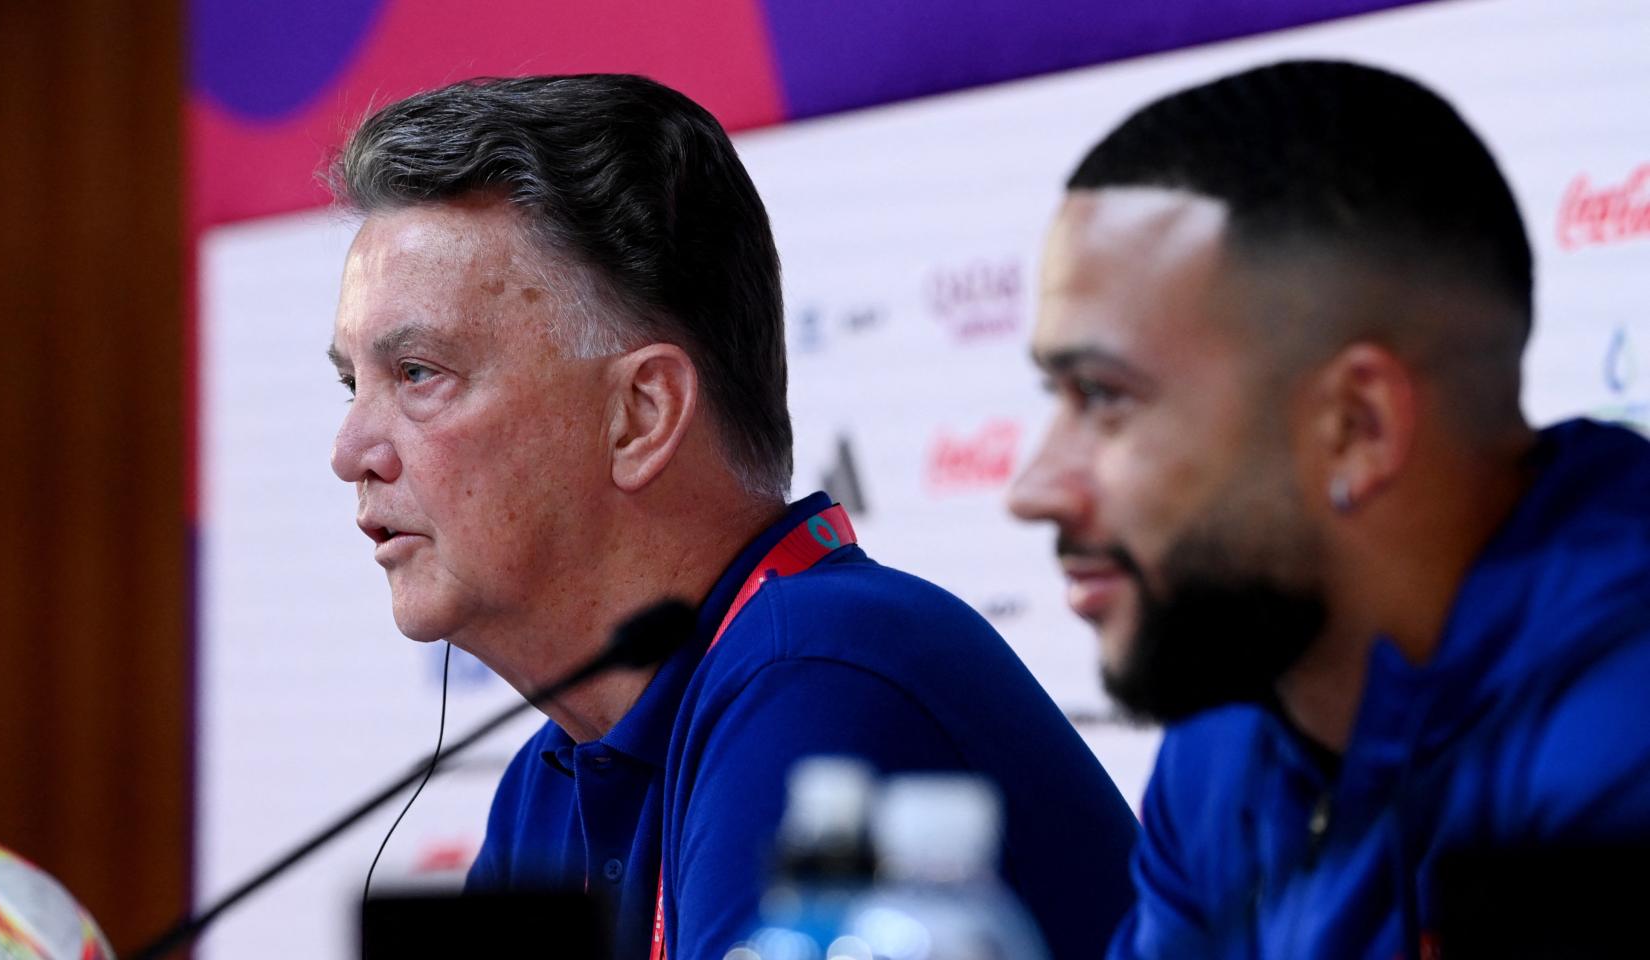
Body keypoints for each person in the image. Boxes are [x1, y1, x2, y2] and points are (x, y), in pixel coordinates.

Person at [326, 74, 1138, 960]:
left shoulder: (820, 677)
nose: (350, 450)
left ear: (640, 416)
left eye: (418, 374)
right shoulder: (546, 785)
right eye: (350, 383)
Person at [1008, 60, 1650, 958]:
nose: (1033, 488)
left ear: (1357, 427)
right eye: (1057, 397)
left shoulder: (1620, 725)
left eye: (1105, 397)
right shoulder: (1228, 724)